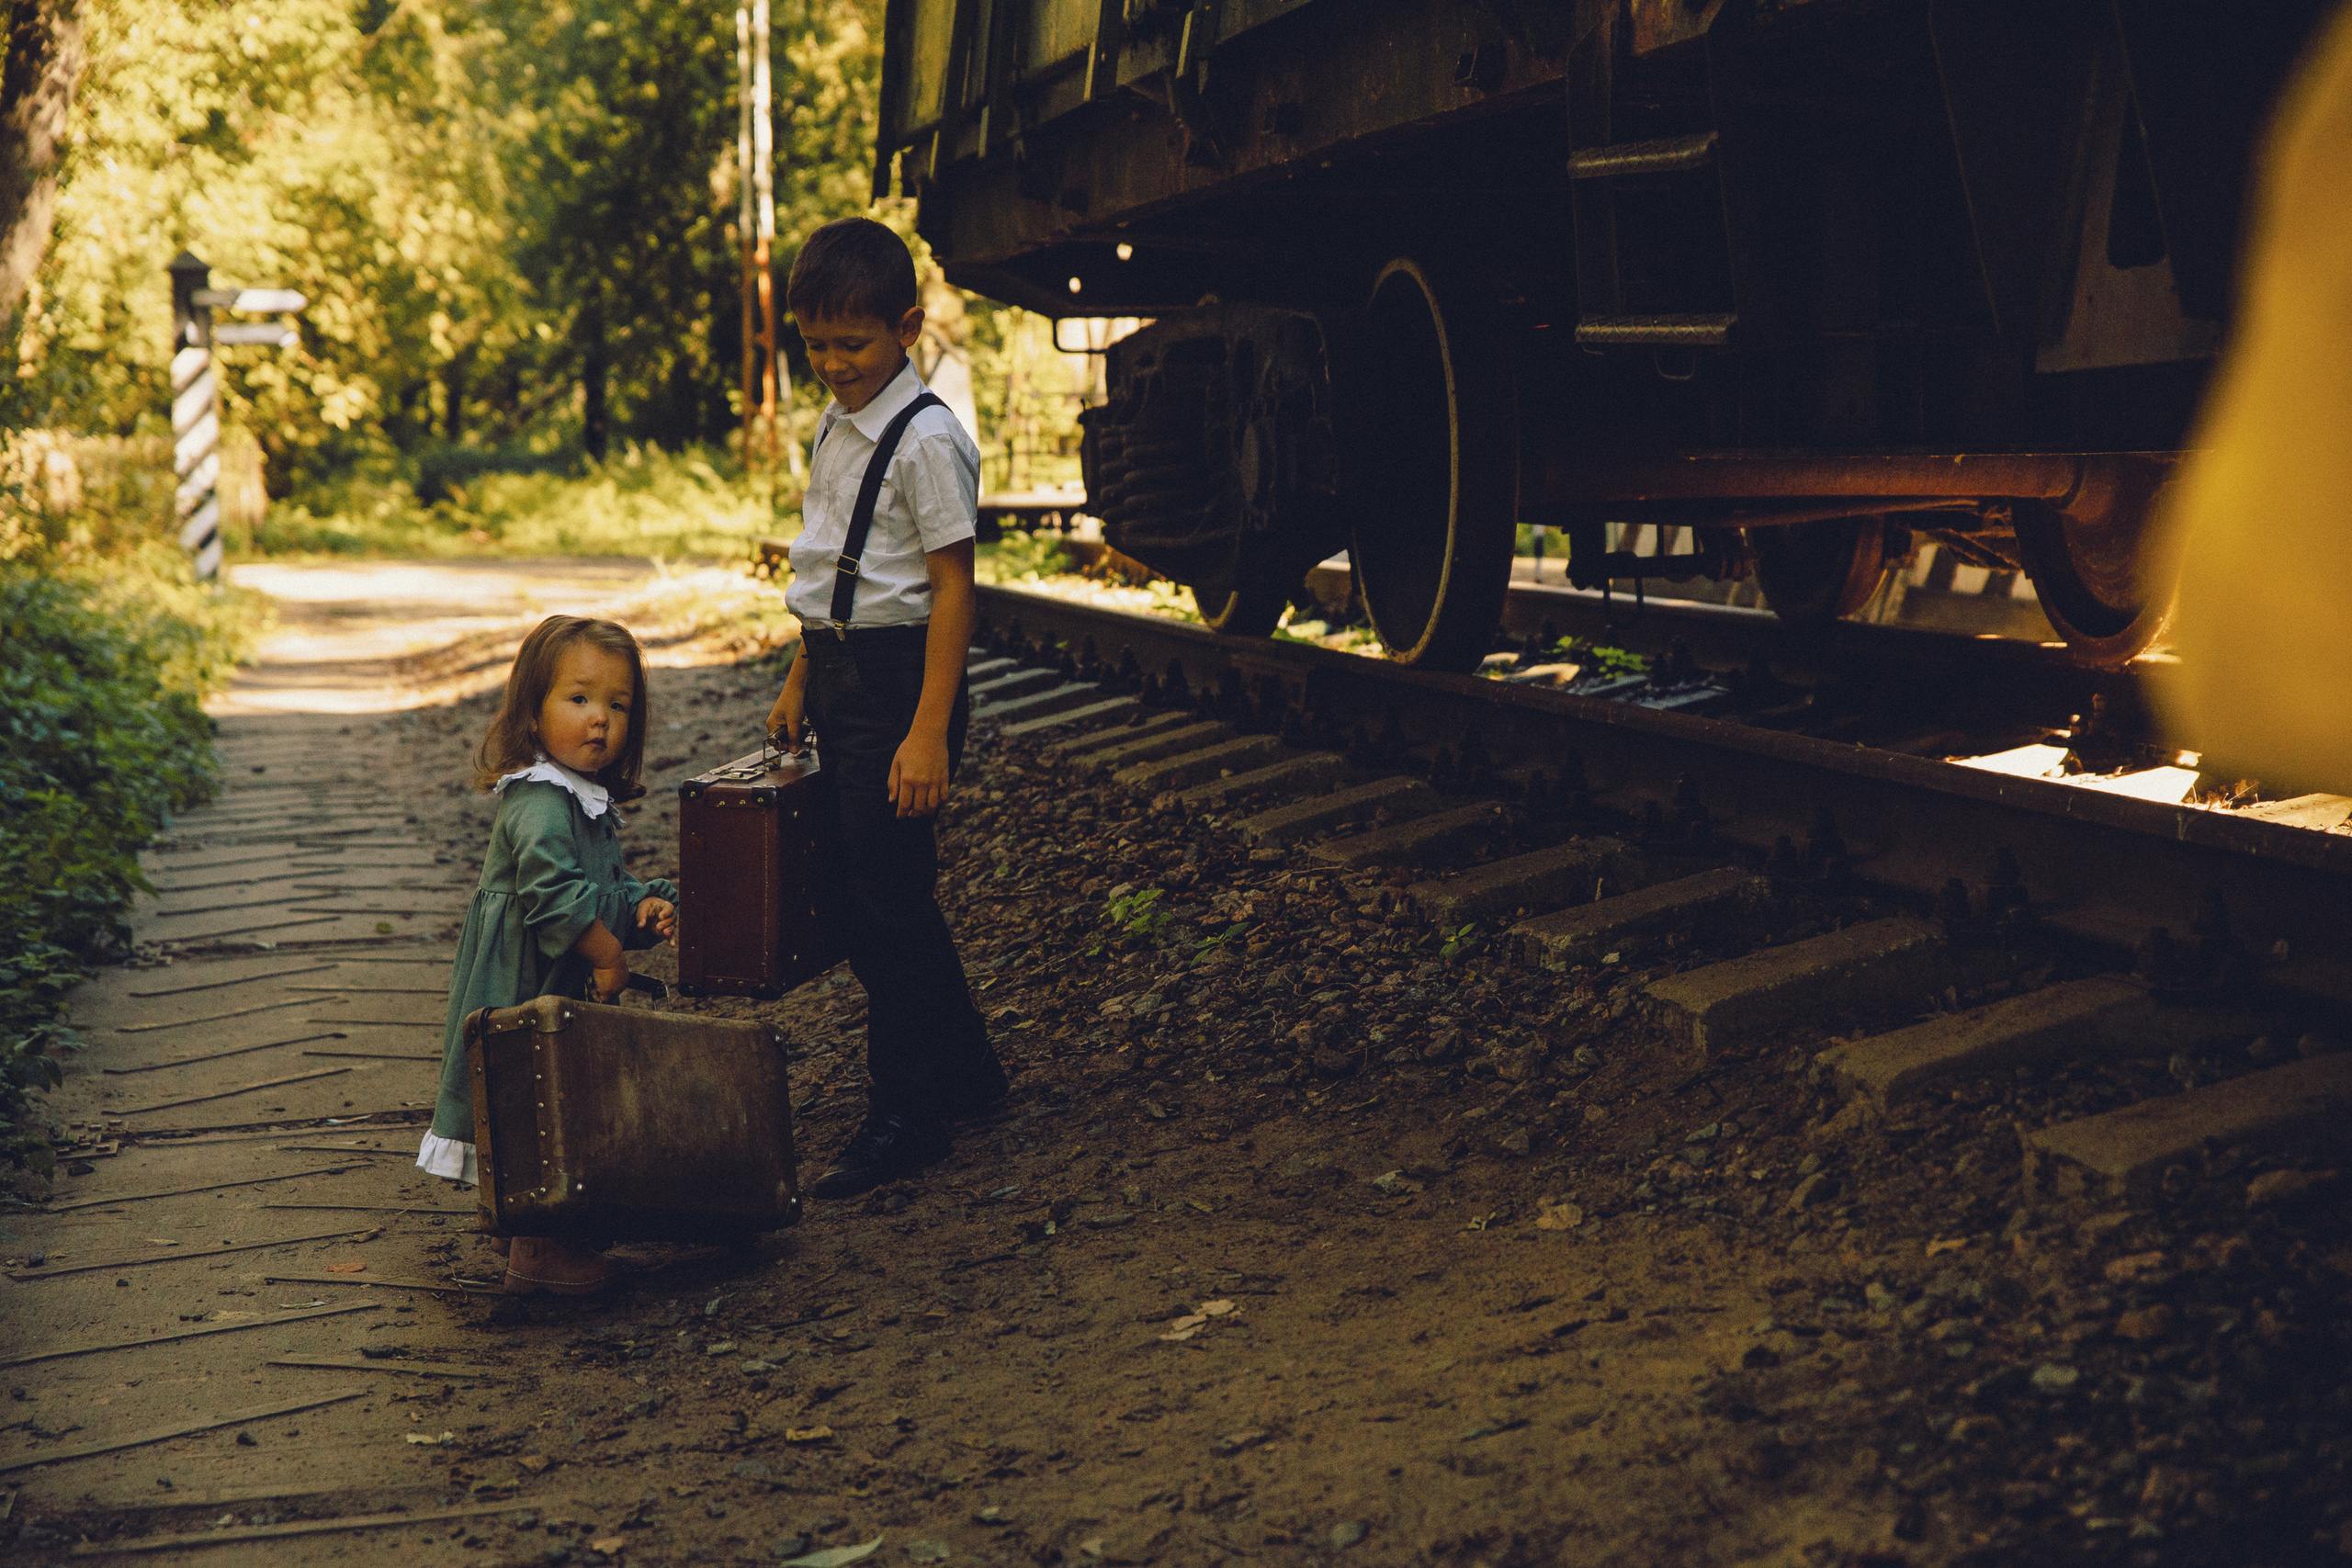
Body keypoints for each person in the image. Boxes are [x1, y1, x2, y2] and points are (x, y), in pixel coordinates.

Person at [767, 216, 1008, 1198]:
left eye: (851, 344)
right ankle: (969, 1073)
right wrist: (798, 677)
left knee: (885, 904)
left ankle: (908, 1112)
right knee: (876, 894)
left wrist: (925, 734)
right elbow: (832, 561)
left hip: (902, 688)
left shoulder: (927, 441)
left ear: (907, 328)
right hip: (840, 677)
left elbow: (953, 589)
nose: (831, 364)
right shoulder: (838, 422)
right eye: (814, 345)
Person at [417, 615, 679, 1295]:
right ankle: (538, 1254)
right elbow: (558, 900)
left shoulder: (583, 802)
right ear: (533, 713)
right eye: (580, 699)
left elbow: (599, 891)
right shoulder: (538, 799)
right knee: (534, 1096)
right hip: (521, 986)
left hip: (551, 979)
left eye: (618, 705)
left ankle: (521, 1218)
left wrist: (640, 908)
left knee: (550, 1094)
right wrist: (609, 955)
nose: (601, 720)